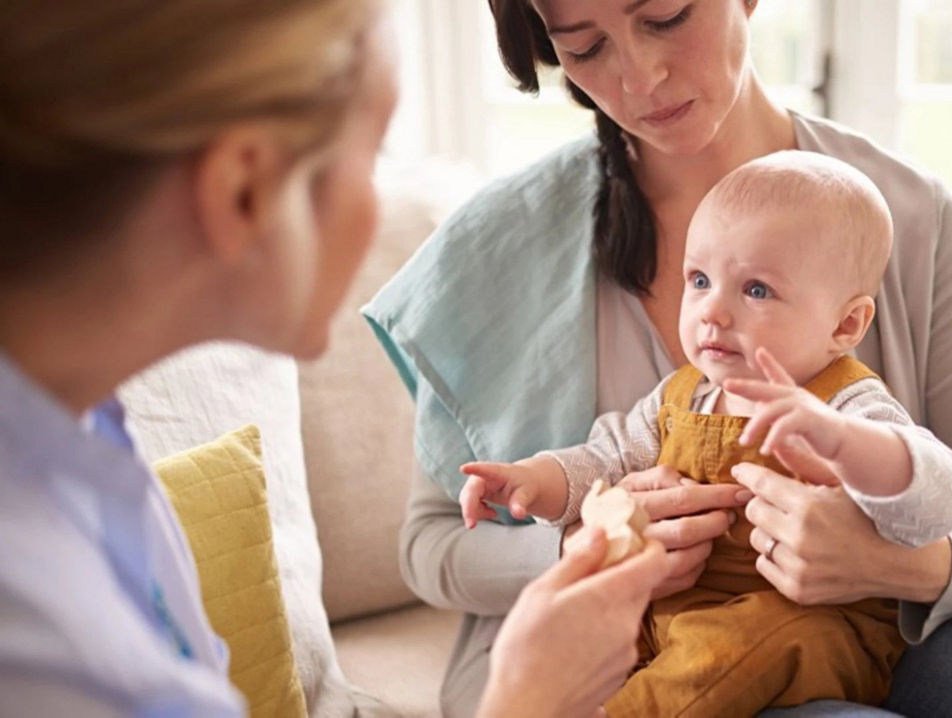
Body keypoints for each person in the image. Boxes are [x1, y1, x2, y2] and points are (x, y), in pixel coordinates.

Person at [362, 0, 952, 715]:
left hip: (861, 628)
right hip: (626, 658)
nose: (640, 77)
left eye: (667, 17)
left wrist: (893, 564)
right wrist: (585, 546)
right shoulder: (498, 246)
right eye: (584, 46)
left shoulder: (904, 220)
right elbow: (432, 547)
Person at [0, 1, 666, 716]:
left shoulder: (94, 449)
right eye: (373, 152)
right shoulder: (38, 633)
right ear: (244, 191)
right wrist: (528, 701)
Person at [458, 151, 952, 715]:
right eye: (700, 280)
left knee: (730, 646)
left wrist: (841, 440)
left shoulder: (847, 404)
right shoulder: (683, 393)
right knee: (598, 644)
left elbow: (939, 498)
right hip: (674, 614)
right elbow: (605, 460)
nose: (713, 312)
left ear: (845, 324)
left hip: (805, 627)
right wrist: (531, 479)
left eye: (756, 291)